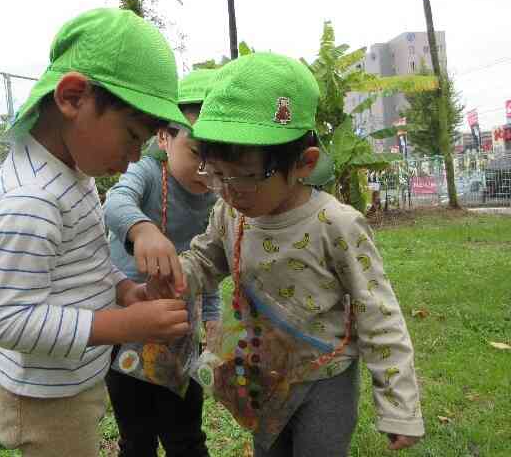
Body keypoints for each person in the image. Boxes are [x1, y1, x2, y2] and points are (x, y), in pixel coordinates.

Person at [154, 53, 425, 456]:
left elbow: (378, 313)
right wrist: (169, 276)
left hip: (325, 379)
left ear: (304, 163)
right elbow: (205, 260)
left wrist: (400, 406)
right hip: (262, 374)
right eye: (216, 175)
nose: (228, 191)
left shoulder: (336, 225)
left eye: (244, 177)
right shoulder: (231, 212)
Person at [0, 7, 192, 457]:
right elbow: (10, 320)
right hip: (43, 398)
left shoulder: (70, 167)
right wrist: (125, 325)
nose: (135, 157)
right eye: (132, 136)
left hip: (69, 379)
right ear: (74, 98)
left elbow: (81, 261)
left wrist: (123, 291)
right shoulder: (32, 198)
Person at [103, 68, 220, 457]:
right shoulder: (148, 171)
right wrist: (144, 229)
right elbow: (115, 203)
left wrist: (213, 316)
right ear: (165, 138)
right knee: (136, 437)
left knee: (185, 434)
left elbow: (210, 262)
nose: (207, 169)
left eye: (217, 157)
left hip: (178, 331)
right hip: (125, 328)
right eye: (197, 153)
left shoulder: (215, 197)